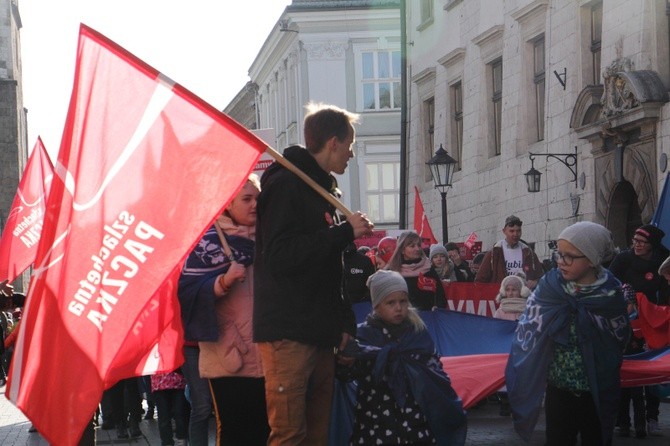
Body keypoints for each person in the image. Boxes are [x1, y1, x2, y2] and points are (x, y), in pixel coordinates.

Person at [253, 103, 374, 445]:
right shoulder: (286, 185)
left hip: (320, 332)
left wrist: (344, 325)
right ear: (333, 142)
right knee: (290, 434)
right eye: (349, 145)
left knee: (317, 436)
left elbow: (329, 270)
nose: (351, 154)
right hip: (289, 332)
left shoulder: (323, 191)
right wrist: (342, 233)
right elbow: (279, 257)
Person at [505, 221, 630, 446]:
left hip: (597, 390)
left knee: (597, 438)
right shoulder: (549, 286)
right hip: (559, 388)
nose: (561, 262)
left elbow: (619, 339)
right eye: (559, 255)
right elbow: (528, 329)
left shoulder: (611, 293)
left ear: (591, 260)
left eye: (569, 256)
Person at [337, 270, 467, 445]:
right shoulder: (363, 336)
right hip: (375, 420)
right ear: (376, 305)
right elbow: (347, 376)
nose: (398, 307)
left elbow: (434, 371)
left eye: (403, 301)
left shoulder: (417, 332)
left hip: (415, 419)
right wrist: (348, 363)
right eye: (390, 302)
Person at [193, 175, 270, 445]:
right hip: (229, 357)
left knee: (267, 432)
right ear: (228, 204)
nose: (254, 205)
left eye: (258, 199)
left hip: (269, 353)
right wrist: (222, 282)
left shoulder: (270, 238)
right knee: (236, 434)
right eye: (246, 199)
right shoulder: (207, 241)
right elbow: (188, 292)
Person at [609, 224, 669, 435]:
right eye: (634, 240)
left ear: (651, 245)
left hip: (654, 321)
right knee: (626, 368)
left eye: (642, 242)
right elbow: (609, 283)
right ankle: (623, 419)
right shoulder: (624, 259)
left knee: (651, 368)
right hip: (626, 321)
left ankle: (651, 416)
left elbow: (667, 293)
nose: (636, 245)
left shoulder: (662, 261)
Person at [475, 215, 544, 289]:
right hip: (500, 297)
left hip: (523, 297)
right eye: (512, 231)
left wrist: (535, 282)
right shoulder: (494, 253)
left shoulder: (529, 253)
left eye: (518, 231)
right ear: (504, 231)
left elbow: (541, 278)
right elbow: (480, 280)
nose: (515, 234)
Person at [385, 231, 446, 310]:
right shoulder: (392, 271)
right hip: (402, 318)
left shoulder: (428, 267)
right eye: (412, 246)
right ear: (402, 250)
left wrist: (438, 307)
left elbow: (440, 294)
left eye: (419, 245)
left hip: (428, 318)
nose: (417, 249)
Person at [616, 284, 647, 438]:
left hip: (638, 363)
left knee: (638, 396)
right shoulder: (617, 321)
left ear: (633, 304)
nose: (625, 308)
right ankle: (624, 425)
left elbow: (646, 338)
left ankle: (641, 426)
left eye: (627, 304)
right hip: (623, 363)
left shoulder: (640, 318)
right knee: (623, 396)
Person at [151, 369, 189, 446]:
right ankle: (168, 442)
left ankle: (181, 440)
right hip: (160, 383)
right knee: (164, 417)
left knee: (180, 414)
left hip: (177, 382)